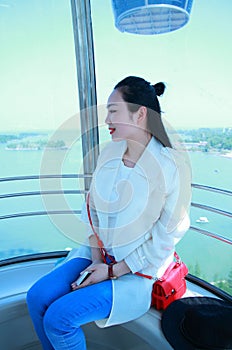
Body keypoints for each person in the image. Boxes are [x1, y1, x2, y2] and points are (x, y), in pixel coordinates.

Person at [26, 76, 191, 350]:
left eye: (113, 111)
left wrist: (112, 271)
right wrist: (95, 261)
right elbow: (91, 209)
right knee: (37, 297)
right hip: (98, 257)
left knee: (59, 319)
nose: (106, 120)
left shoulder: (171, 167)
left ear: (140, 114)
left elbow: (165, 240)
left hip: (135, 271)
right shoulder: (109, 154)